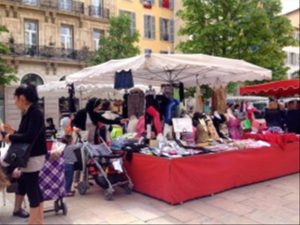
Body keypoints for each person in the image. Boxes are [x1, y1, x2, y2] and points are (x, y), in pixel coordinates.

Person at [3, 84, 46, 224]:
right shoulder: (29, 112)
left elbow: (29, 136)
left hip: (33, 156)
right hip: (32, 155)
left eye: (15, 98)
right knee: (34, 187)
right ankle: (38, 220)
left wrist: (10, 137)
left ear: (22, 98)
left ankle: (34, 221)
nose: (15, 101)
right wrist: (13, 133)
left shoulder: (35, 113)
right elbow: (25, 134)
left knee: (31, 188)